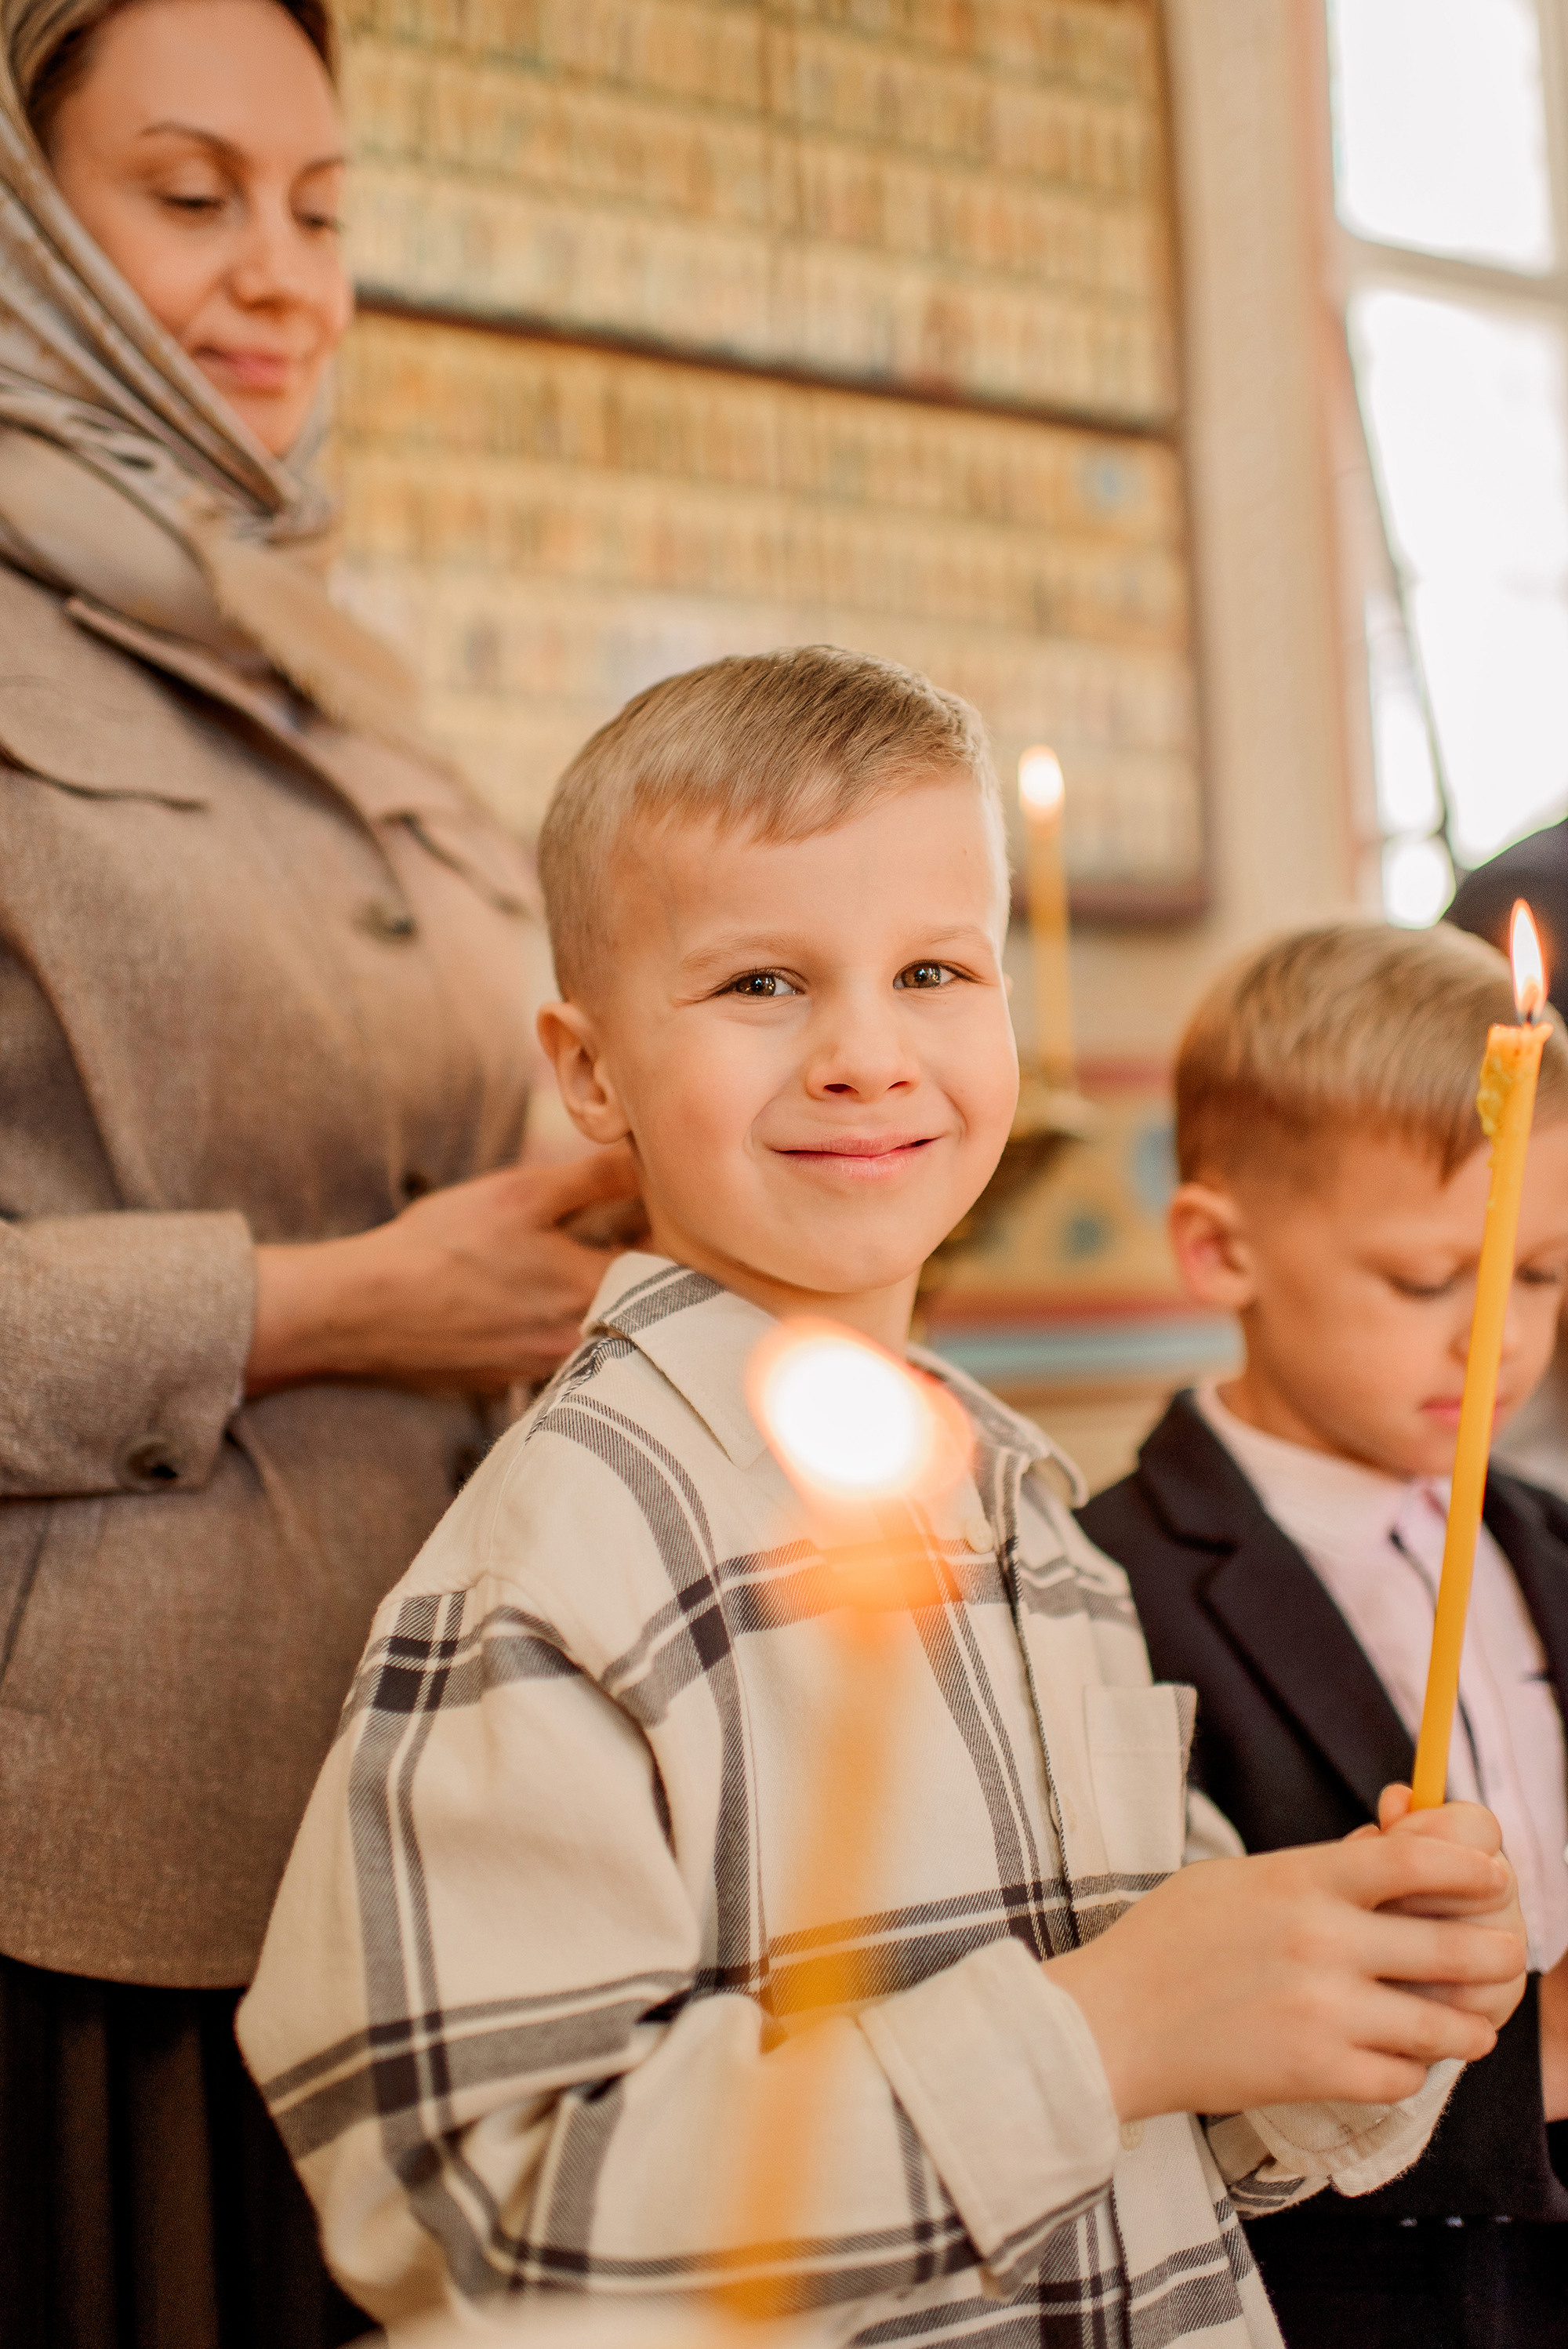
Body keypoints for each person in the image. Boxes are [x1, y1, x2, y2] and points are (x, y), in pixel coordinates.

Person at [239, 649, 1528, 2347]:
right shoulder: (567, 1553)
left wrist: (1359, 1996)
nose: (865, 1052)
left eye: (932, 967)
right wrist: (1094, 2034)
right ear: (590, 1068)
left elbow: (1189, 2110)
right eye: (763, 982)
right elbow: (490, 2226)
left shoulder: (1037, 1528)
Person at [0, 2, 634, 2343]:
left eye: (325, 206)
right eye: (188, 197)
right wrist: (343, 1303)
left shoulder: (326, 665)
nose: (282, 274)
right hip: (115, 1868)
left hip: (460, 1815)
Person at [1078, 922, 1568, 2347]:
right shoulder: (1110, 1579)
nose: (1497, 1339)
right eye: (1431, 1281)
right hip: (1348, 2293)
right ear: (1221, 1250)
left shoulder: (1548, 1543)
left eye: (1537, 1275)